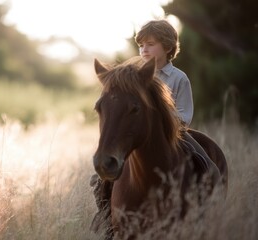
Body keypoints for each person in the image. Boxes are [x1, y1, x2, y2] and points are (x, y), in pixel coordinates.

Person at [90, 19, 218, 236]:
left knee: (203, 161)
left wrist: (166, 122)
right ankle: (107, 219)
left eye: (150, 44)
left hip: (175, 133)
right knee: (99, 180)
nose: (144, 49)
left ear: (167, 47)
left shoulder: (179, 78)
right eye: (141, 45)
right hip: (141, 134)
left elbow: (186, 114)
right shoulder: (133, 77)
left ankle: (205, 208)